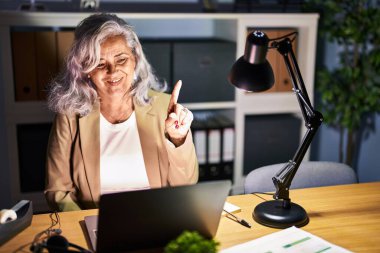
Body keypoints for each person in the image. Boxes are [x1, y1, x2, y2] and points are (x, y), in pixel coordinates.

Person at [44, 13, 198, 212]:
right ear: (85, 69)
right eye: (100, 63)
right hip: (96, 224)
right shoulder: (69, 115)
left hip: (156, 217)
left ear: (135, 59)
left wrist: (178, 139)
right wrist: (85, 225)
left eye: (121, 59)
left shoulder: (165, 108)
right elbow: (57, 190)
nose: (112, 71)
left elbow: (186, 185)